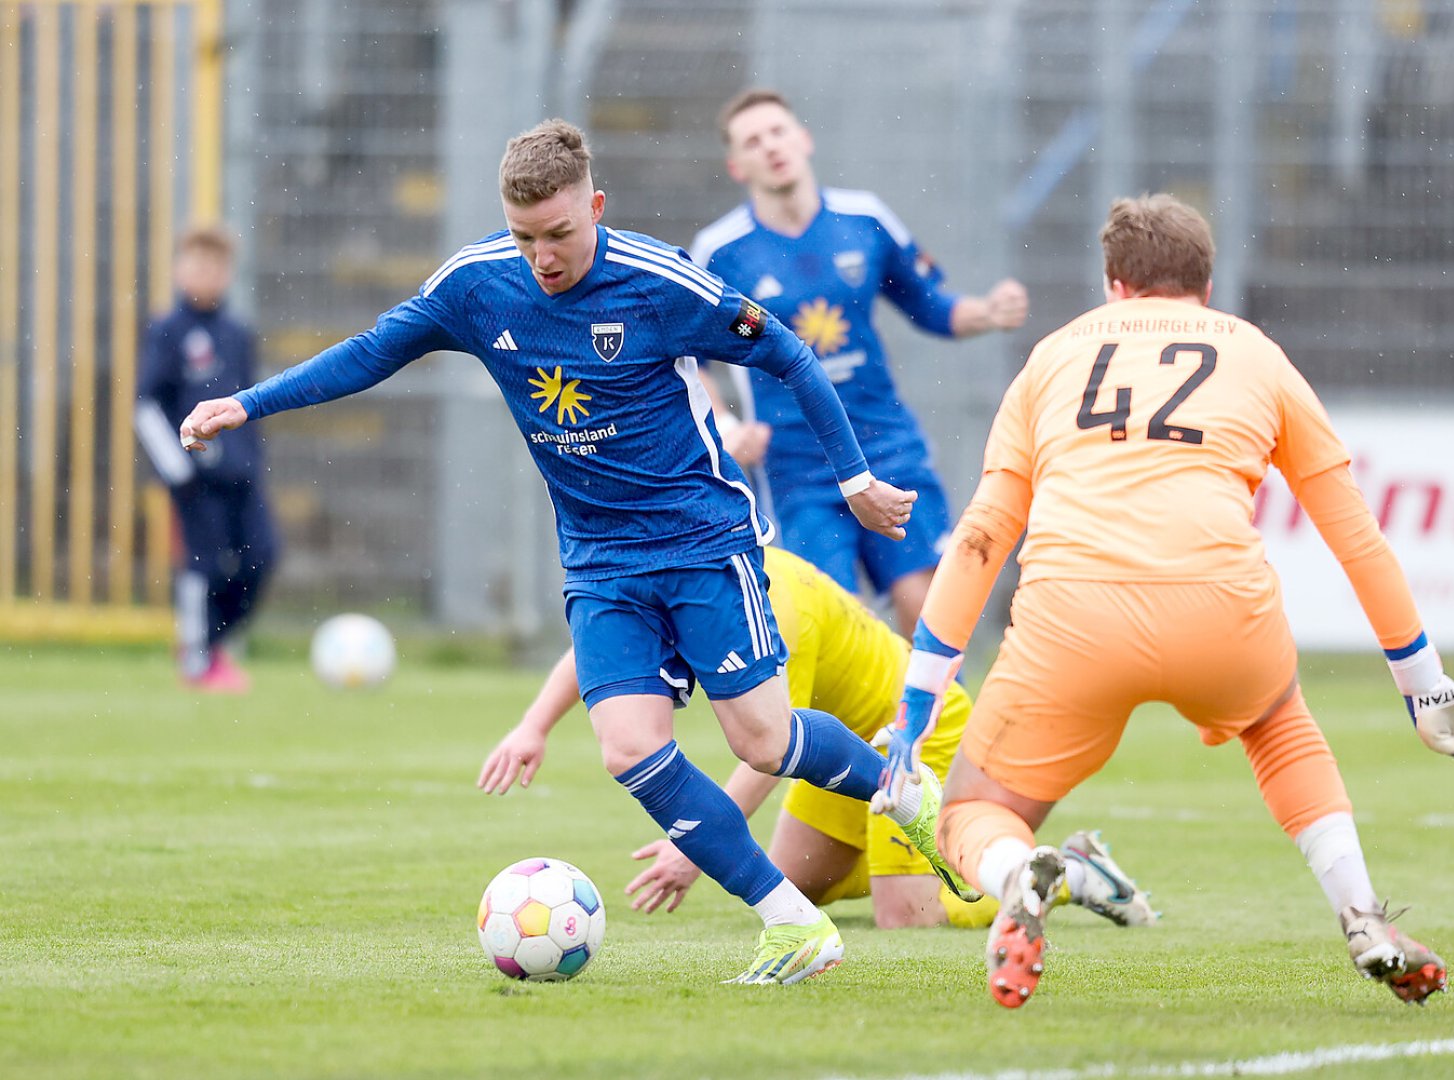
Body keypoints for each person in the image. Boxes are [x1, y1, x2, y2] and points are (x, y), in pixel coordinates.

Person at [179, 119, 964, 986]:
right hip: (599, 561)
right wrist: (246, 404)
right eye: (525, 238)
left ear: (594, 206)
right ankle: (792, 926)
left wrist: (854, 480)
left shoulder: (658, 282)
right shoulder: (478, 285)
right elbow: (372, 353)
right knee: (630, 749)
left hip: (703, 541)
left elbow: (787, 353)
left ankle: (906, 789)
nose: (543, 257)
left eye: (559, 234)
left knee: (764, 744)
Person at [873, 194, 1454, 1008]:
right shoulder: (1255, 353)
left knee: (973, 811)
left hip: (1074, 618)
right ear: (1205, 283)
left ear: (1113, 285)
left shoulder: (1054, 357)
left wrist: (919, 700)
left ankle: (1020, 873)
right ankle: (1361, 917)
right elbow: (1356, 536)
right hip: (1220, 612)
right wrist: (1424, 685)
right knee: (1278, 726)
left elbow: (983, 538)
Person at [478, 545, 1159, 932]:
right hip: (839, 746)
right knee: (806, 887)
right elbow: (607, 644)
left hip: (910, 733)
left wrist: (695, 846)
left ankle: (1066, 874)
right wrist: (532, 726)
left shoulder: (769, 606)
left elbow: (772, 750)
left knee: (906, 919)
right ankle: (926, 853)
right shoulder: (688, 565)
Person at [690, 89, 1030, 637]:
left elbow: (932, 305)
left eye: (778, 131)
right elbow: (692, 359)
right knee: (837, 622)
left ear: (804, 139)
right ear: (737, 166)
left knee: (924, 602)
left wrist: (987, 311)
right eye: (753, 141)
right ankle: (863, 725)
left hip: (885, 443)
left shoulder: (864, 218)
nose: (771, 146)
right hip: (796, 466)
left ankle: (928, 722)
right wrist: (727, 427)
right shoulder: (720, 252)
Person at [135, 224, 277, 692]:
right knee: (205, 567)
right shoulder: (168, 331)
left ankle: (213, 644)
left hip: (242, 474)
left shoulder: (237, 333)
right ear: (179, 270)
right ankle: (199, 661)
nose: (206, 275)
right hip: (195, 478)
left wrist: (252, 460)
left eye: (216, 267)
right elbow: (147, 404)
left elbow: (249, 403)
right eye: (197, 266)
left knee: (263, 556)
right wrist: (178, 468)